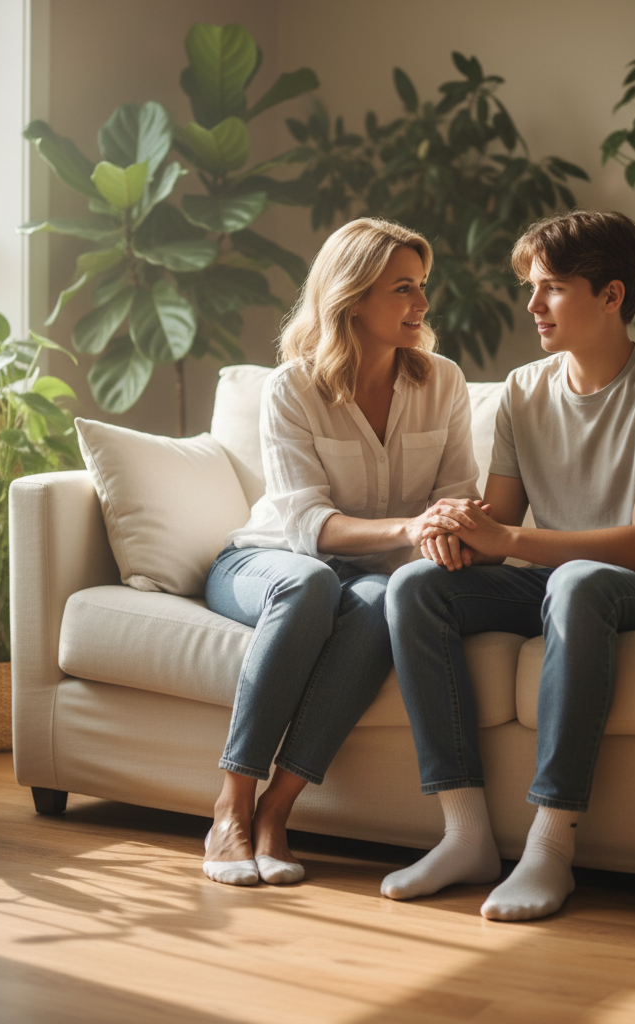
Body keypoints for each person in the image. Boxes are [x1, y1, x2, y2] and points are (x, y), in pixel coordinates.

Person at [382, 209, 635, 920]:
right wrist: (454, 529)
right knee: (414, 586)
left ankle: (550, 846)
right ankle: (465, 834)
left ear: (611, 295)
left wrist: (506, 537)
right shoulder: (522, 390)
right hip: (563, 581)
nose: (533, 304)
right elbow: (498, 526)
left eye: (553, 288)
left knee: (578, 580)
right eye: (531, 287)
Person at [202, 217, 482, 887]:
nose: (422, 304)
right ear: (352, 298)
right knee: (311, 584)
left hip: (366, 574)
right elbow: (307, 526)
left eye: (422, 286)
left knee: (386, 601)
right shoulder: (292, 388)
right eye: (403, 288)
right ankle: (230, 806)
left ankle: (277, 809)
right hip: (265, 561)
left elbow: (456, 496)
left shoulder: (443, 382)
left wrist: (450, 527)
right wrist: (411, 529)